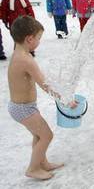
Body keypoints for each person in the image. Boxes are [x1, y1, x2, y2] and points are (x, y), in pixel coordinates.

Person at [7, 16, 77, 180]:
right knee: (46, 136)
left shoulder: (19, 53)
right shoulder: (25, 59)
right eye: (38, 38)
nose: (39, 42)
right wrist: (65, 100)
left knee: (39, 136)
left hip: (22, 106)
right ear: (29, 39)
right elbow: (44, 84)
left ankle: (41, 162)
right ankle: (32, 168)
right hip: (23, 109)